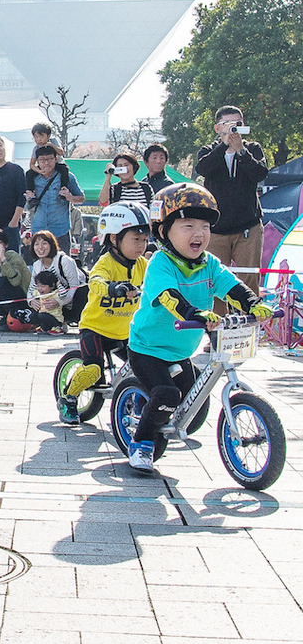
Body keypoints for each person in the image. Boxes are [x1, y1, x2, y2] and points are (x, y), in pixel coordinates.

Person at [125, 183, 272, 473]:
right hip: (148, 348)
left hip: (181, 350)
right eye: (188, 225)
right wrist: (196, 313)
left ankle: (159, 416)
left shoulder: (209, 263)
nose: (199, 234)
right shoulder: (160, 264)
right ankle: (141, 442)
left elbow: (231, 287)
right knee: (167, 396)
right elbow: (169, 298)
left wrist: (253, 304)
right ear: (164, 231)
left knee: (195, 401)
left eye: (205, 226)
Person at [56, 202, 150, 424]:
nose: (141, 246)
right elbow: (95, 282)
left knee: (145, 367)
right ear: (114, 239)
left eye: (145, 240)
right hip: (95, 328)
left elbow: (157, 280)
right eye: (136, 240)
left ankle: (134, 402)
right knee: (93, 370)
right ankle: (68, 398)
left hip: (124, 330)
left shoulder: (142, 265)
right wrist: (113, 287)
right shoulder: (105, 263)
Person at [194, 105, 269, 297]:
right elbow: (203, 169)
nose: (233, 129)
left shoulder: (252, 149)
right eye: (228, 124)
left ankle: (250, 321)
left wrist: (241, 151)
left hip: (248, 227)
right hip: (217, 229)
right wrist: (223, 147)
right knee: (216, 281)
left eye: (238, 124)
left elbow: (260, 173)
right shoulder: (208, 150)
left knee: (249, 279)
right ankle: (219, 323)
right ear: (218, 128)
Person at [25, 144, 85, 254]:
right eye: (42, 160)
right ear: (37, 161)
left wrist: (69, 197)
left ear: (56, 159)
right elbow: (23, 204)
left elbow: (81, 199)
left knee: (62, 264)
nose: (46, 163)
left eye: (50, 159)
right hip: (39, 229)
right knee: (40, 266)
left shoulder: (67, 177)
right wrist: (28, 199)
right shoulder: (31, 178)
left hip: (60, 230)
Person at [27, 230, 89, 323]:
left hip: (74, 301)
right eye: (36, 244)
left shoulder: (65, 261)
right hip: (52, 304)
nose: (40, 247)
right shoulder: (37, 265)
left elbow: (74, 287)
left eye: (44, 243)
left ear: (52, 245)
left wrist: (59, 302)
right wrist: (32, 301)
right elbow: (32, 288)